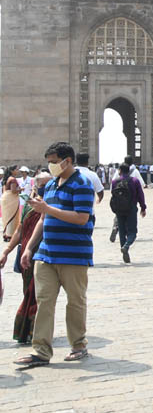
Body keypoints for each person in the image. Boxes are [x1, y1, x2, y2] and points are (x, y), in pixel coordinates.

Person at [13, 142, 95, 368]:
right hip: (46, 254)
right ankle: (41, 351)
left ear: (67, 160)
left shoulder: (83, 185)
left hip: (73, 255)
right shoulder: (49, 186)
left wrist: (48, 210)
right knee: (44, 302)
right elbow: (42, 220)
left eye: (53, 161)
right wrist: (29, 247)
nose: (51, 166)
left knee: (75, 302)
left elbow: (81, 218)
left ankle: (78, 345)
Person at [1, 171, 48, 343]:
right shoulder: (29, 207)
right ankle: (28, 330)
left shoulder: (55, 206)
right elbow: (20, 230)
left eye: (47, 185)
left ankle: (37, 331)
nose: (44, 189)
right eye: (41, 185)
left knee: (42, 295)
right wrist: (6, 251)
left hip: (46, 256)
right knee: (28, 292)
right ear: (35, 187)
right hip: (27, 257)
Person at [110, 156, 147, 264]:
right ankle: (126, 246)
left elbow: (113, 194)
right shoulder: (134, 181)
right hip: (131, 207)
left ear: (120, 171)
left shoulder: (115, 181)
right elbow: (141, 195)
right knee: (133, 232)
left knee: (122, 232)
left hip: (119, 209)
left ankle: (124, 249)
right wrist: (143, 207)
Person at [2, 164, 21, 241]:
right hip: (11, 199)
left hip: (7, 198)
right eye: (16, 169)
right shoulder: (12, 179)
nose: (18, 171)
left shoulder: (7, 178)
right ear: (12, 171)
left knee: (8, 216)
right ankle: (10, 235)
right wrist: (21, 189)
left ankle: (7, 234)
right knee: (12, 217)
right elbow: (13, 191)